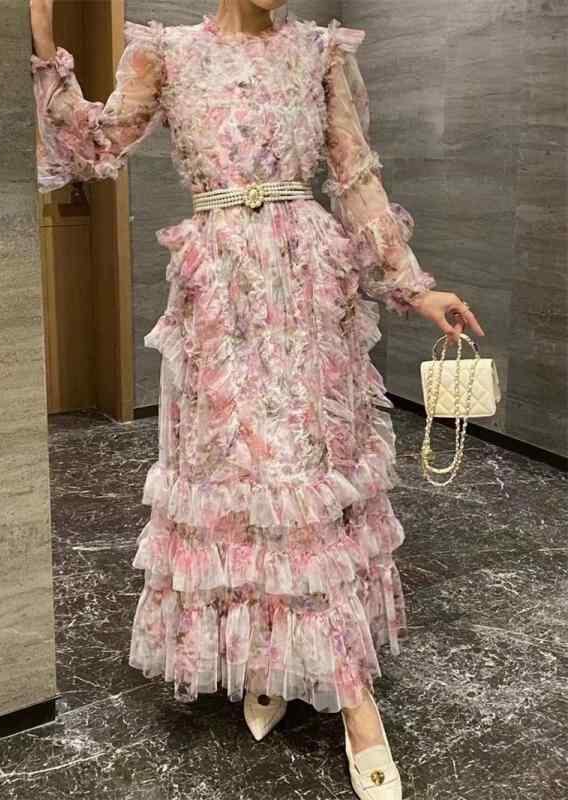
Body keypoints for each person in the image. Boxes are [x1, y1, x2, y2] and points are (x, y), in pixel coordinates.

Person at [29, 1, 485, 797]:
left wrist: (415, 289)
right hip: (218, 295)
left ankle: (354, 697)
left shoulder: (319, 53)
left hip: (306, 288)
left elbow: (356, 178)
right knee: (242, 481)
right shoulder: (167, 53)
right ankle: (272, 658)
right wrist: (45, 48)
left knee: (304, 478)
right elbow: (95, 143)